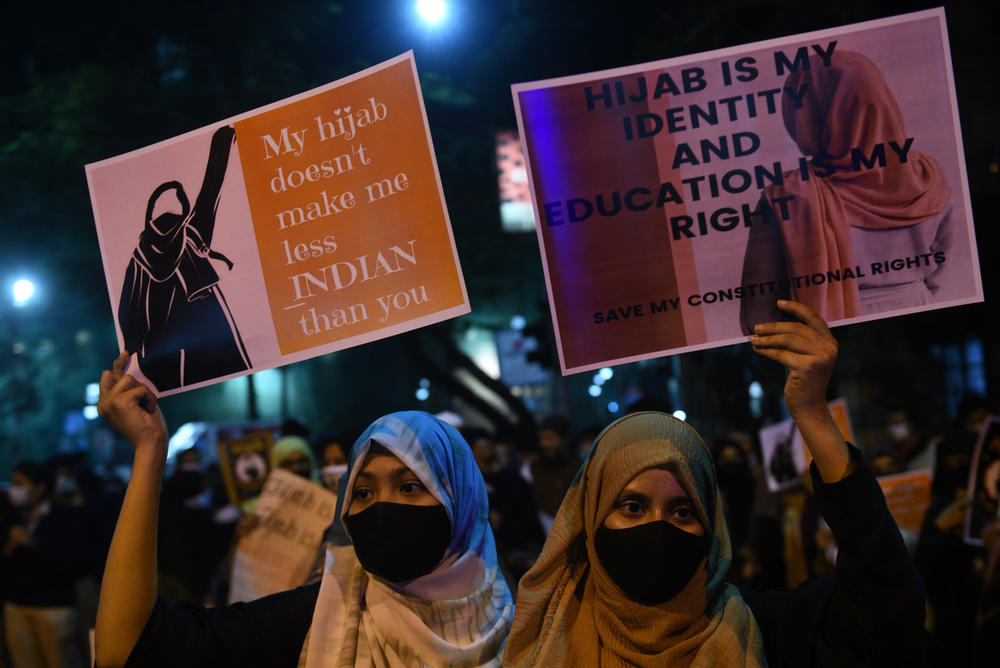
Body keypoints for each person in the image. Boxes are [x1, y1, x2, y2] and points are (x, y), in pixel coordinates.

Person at [503, 300, 925, 667]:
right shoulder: (545, 645)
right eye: (632, 507)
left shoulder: (767, 632)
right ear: (590, 517)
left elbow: (885, 605)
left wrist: (812, 412)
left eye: (683, 511)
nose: (658, 528)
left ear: (711, 525)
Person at [94, 351, 513, 668]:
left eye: (409, 487)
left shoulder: (536, 628)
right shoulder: (314, 617)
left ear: (461, 503)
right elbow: (128, 651)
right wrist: (149, 451)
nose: (384, 507)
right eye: (363, 494)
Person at [740, 51, 954, 332]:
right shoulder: (928, 175)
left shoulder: (786, 197)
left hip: (828, 341)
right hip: (919, 322)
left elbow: (759, 312)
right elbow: (939, 267)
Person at [118, 125, 251, 392]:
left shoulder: (140, 257)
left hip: (164, 344)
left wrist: (131, 347)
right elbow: (210, 190)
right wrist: (222, 140)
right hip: (204, 328)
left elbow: (128, 309)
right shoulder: (189, 235)